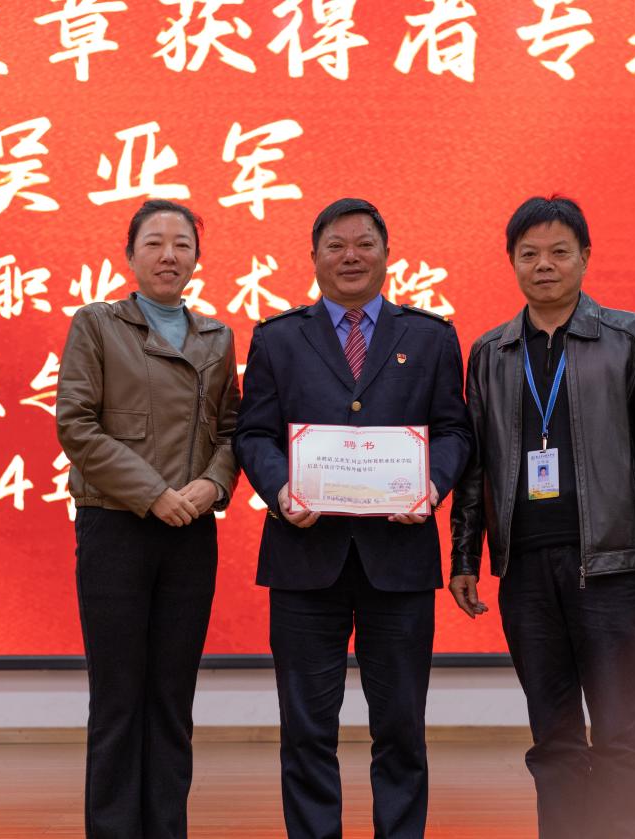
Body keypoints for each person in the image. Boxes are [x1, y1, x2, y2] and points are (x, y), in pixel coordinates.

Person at [448, 195, 635, 839]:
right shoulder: (491, 352)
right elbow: (474, 468)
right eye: (529, 254)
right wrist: (465, 555)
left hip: (609, 567)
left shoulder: (632, 339)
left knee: (616, 736)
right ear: (511, 262)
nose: (544, 266)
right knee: (552, 739)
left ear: (585, 257)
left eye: (559, 252)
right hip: (525, 571)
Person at [234, 197, 472, 838]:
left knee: (401, 727)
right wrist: (282, 489)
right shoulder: (278, 338)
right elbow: (253, 434)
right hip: (304, 558)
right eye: (335, 245)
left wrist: (430, 485)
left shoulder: (430, 337)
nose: (350, 256)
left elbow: (454, 430)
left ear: (387, 254)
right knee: (306, 730)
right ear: (313, 258)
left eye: (364, 243)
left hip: (399, 561)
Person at [56, 199, 240, 839]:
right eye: (154, 243)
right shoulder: (97, 324)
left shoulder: (217, 337)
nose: (169, 255)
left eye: (182, 244)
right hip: (116, 527)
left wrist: (211, 485)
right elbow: (76, 425)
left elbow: (232, 430)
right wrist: (155, 493)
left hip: (191, 532)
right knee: (117, 698)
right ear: (130, 255)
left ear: (197, 258)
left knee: (171, 698)